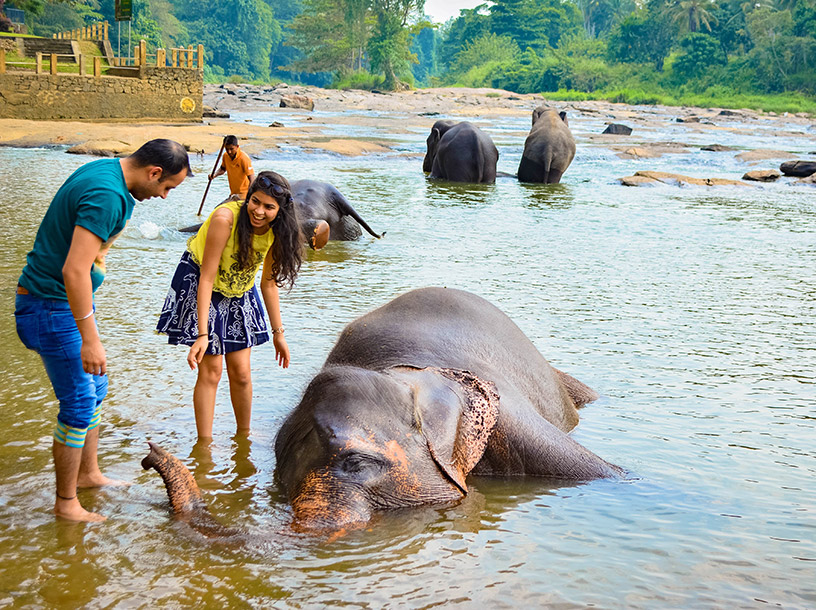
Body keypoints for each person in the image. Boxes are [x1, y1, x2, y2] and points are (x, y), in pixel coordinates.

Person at [15, 138, 192, 523]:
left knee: (96, 389)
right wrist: (91, 340)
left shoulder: (107, 172)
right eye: (167, 188)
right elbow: (74, 270)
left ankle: (88, 474)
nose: (163, 197)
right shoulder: (107, 195)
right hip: (49, 306)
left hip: (58, 305)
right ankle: (66, 505)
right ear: (154, 172)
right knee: (78, 404)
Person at [156, 171, 302, 440]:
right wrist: (202, 335)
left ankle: (243, 438)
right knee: (212, 371)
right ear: (248, 198)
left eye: (269, 207)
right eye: (255, 202)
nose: (258, 211)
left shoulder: (278, 231)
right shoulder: (226, 219)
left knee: (242, 373)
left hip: (238, 287)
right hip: (203, 281)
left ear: (281, 210)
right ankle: (205, 446)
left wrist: (278, 334)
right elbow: (207, 277)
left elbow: (268, 285)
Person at [209, 135, 255, 201]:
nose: (229, 152)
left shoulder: (243, 158)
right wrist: (214, 175)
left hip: (244, 194)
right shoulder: (225, 156)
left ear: (237, 147)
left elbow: (252, 179)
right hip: (233, 193)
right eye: (227, 149)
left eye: (231, 149)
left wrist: (249, 197)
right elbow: (222, 169)